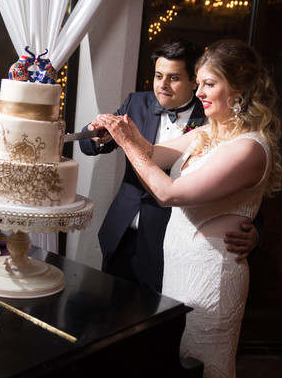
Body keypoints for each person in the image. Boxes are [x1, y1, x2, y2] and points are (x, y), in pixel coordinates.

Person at [90, 39, 282, 378]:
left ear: (238, 89)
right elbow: (151, 154)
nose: (201, 92)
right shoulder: (207, 133)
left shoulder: (249, 148)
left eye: (209, 84)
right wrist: (130, 134)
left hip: (211, 277)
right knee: (172, 362)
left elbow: (168, 193)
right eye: (201, 83)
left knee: (203, 364)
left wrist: (127, 144)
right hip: (177, 271)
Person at [79, 37, 261, 293]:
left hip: (169, 243)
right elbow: (97, 146)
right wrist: (98, 133)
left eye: (174, 78)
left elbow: (244, 192)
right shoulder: (138, 104)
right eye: (157, 76)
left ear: (191, 80)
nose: (162, 85)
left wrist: (255, 231)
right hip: (122, 233)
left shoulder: (213, 117)